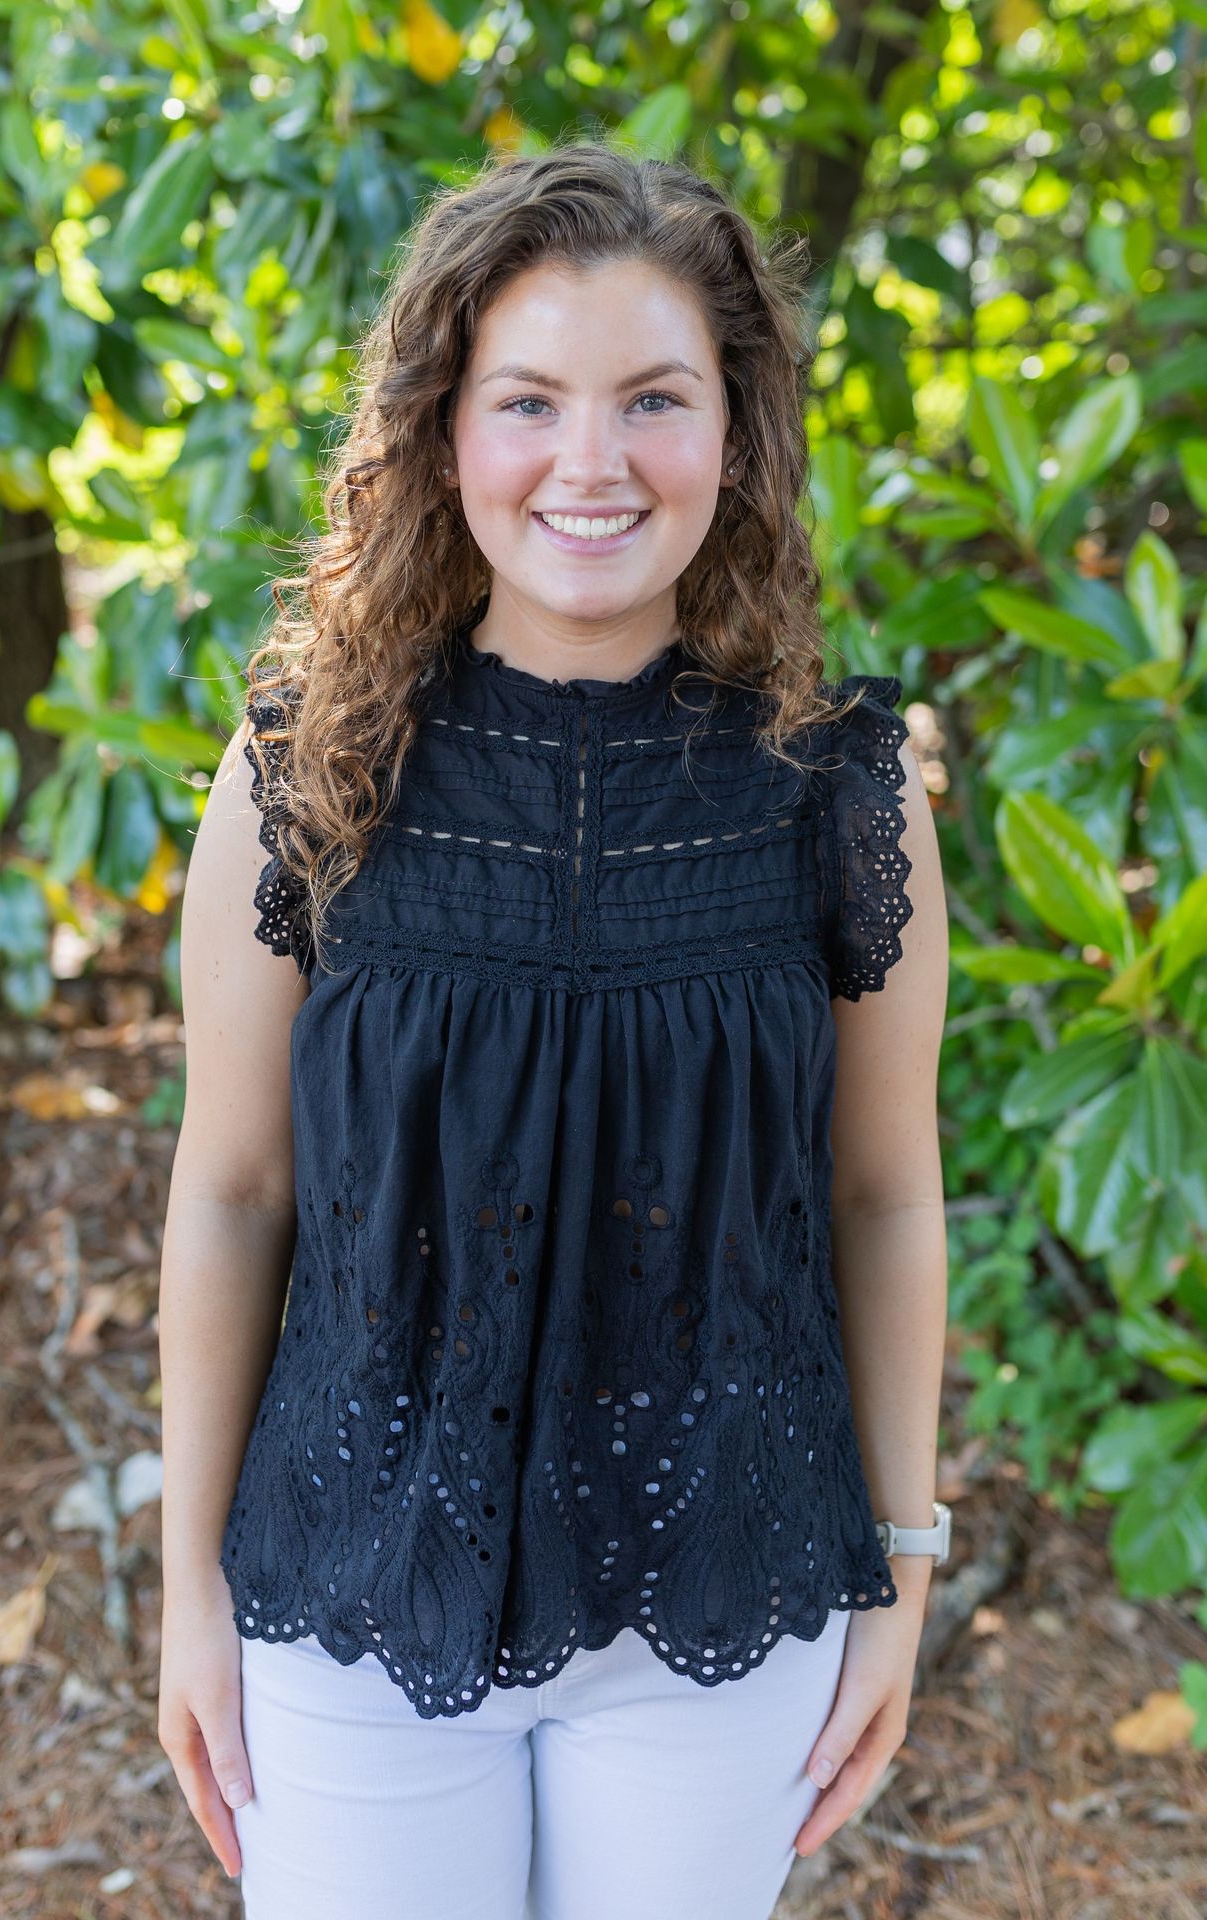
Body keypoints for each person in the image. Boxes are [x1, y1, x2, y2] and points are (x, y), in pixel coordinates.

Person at [157, 140, 950, 1920]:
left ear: (735, 433)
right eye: (529, 400)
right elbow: (230, 1191)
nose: (591, 462)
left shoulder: (838, 787)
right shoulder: (305, 768)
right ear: (446, 427)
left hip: (719, 1593)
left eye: (654, 399)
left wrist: (901, 1564)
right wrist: (184, 1588)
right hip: (350, 1594)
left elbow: (889, 1197)